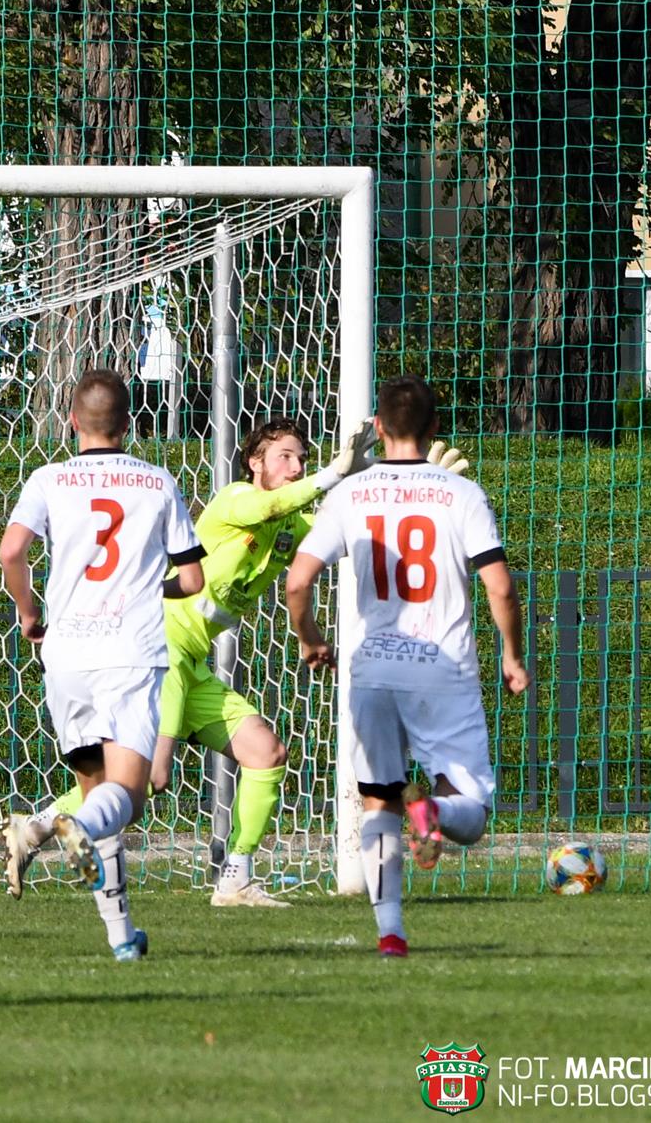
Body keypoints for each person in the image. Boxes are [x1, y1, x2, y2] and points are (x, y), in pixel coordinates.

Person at [4, 418, 468, 905]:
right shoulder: (236, 500)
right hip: (161, 651)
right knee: (151, 778)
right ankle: (38, 827)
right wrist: (333, 473)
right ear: (255, 462)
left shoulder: (290, 527)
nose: (295, 467)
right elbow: (269, 505)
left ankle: (235, 879)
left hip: (191, 663)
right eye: (284, 456)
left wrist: (418, 490)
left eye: (302, 459)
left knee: (266, 753)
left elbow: (358, 536)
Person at [284, 375, 528, 958]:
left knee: (378, 799)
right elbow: (499, 587)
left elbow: (297, 582)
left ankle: (390, 933)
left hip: (372, 671)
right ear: (435, 426)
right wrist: (512, 654)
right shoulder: (461, 494)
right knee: (470, 812)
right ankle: (433, 810)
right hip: (441, 670)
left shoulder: (350, 494)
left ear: (379, 428)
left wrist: (310, 638)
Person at [0, 369, 204, 961]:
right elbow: (192, 579)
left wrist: (28, 612)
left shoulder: (48, 478)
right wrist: (150, 586)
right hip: (129, 656)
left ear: (71, 421)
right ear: (128, 423)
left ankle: (122, 940)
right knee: (126, 800)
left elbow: (12, 551)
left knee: (97, 802)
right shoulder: (157, 481)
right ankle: (43, 827)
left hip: (67, 656)